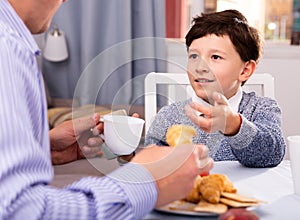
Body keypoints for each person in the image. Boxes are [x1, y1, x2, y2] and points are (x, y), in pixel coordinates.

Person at [0, 0, 214, 219]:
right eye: (194, 56)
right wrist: (146, 181)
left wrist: (42, 149)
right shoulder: (7, 48)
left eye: (216, 57)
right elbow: (19, 210)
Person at [145, 9, 286, 168]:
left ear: (245, 70)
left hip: (246, 193)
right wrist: (130, 153)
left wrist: (235, 126)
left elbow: (272, 154)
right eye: (194, 56)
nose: (200, 67)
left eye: (215, 57)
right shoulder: (169, 116)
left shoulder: (262, 108)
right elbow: (152, 166)